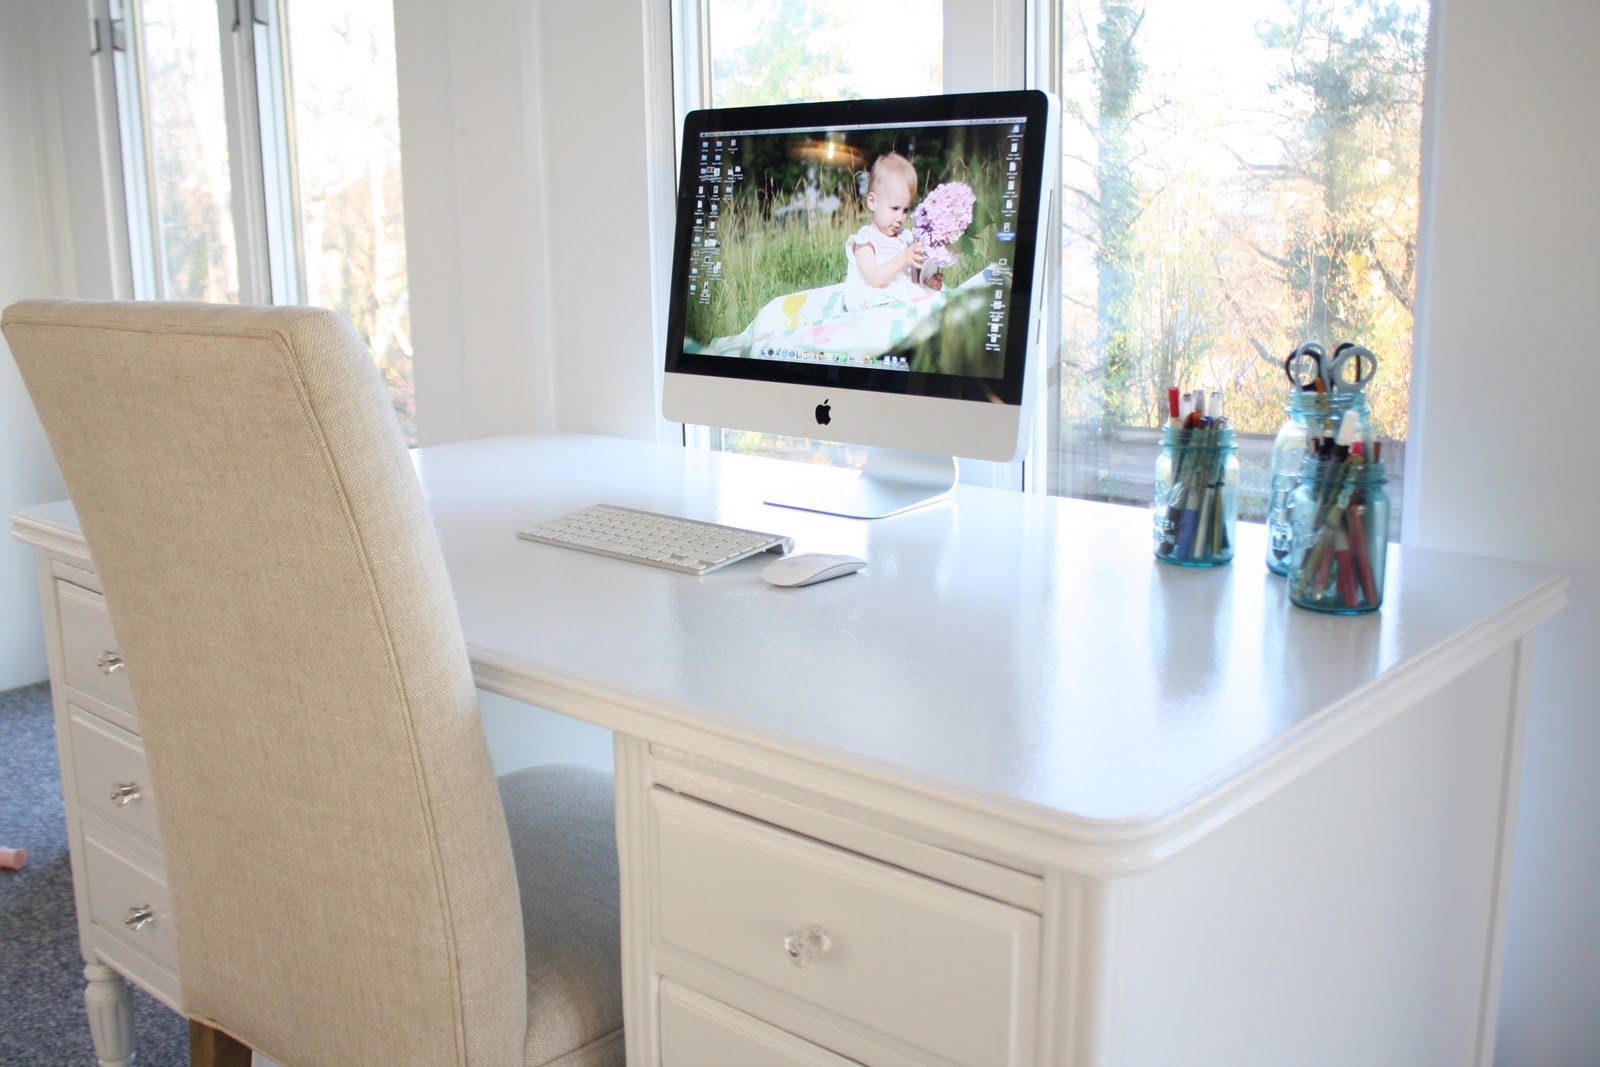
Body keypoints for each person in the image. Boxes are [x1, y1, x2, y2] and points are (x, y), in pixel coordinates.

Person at [842, 152, 944, 311]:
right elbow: (873, 279)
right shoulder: (866, 240)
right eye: (895, 208)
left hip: (902, 300)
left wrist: (927, 282)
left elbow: (912, 278)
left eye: (905, 210)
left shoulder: (905, 238)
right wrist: (903, 258)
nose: (900, 217)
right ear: (873, 202)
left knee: (937, 301)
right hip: (876, 302)